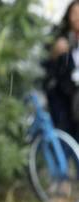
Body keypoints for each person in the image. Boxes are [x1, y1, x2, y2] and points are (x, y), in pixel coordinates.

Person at [44, 1, 79, 138]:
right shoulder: (60, 37)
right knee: (65, 133)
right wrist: (54, 53)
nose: (77, 18)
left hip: (75, 96)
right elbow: (46, 62)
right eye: (74, 14)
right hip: (63, 94)